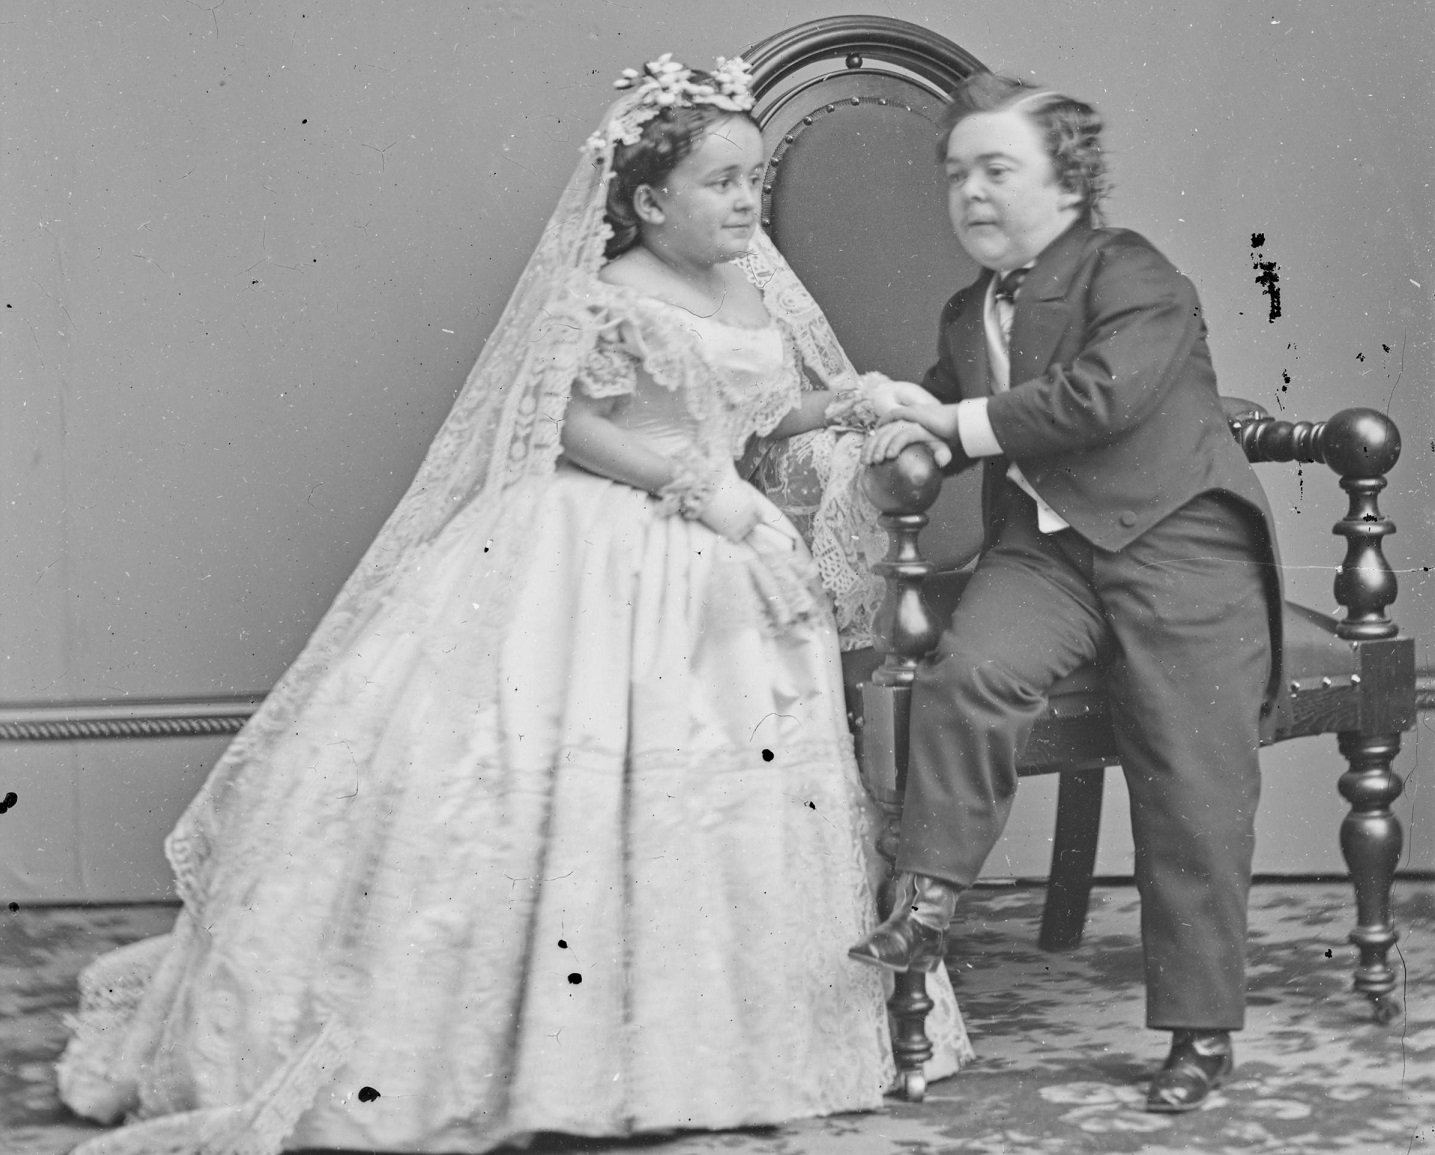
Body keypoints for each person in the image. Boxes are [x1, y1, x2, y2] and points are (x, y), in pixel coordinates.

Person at [55, 55, 971, 1155]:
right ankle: (551, 1057)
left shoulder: (748, 288)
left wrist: (853, 401)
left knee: (723, 792)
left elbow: (763, 413)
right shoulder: (611, 290)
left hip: (727, 561)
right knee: (547, 779)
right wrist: (692, 485)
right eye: (720, 184)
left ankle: (699, 1050)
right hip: (606, 544)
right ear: (647, 201)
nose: (745, 203)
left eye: (750, 180)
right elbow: (565, 425)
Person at [850, 72, 1283, 1114]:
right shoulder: (969, 311)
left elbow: (1097, 397)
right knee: (967, 673)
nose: (970, 193)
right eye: (956, 174)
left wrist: (950, 424)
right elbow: (952, 405)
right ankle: (928, 902)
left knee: (1190, 777)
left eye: (997, 170)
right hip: (1047, 557)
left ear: (1070, 183)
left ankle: (1199, 1031)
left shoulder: (1131, 270)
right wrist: (897, 419)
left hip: (1178, 545)